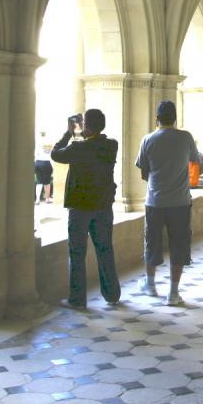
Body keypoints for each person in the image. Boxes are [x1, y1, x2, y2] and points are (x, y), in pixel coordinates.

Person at [50, 109, 121, 310]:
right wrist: (84, 131)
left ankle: (77, 299)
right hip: (103, 206)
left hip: (80, 207)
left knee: (77, 253)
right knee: (105, 250)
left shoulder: (77, 148)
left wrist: (68, 132)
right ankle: (112, 294)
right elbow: (94, 143)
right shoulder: (111, 145)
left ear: (87, 126)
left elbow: (55, 154)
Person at [135, 100, 202, 306]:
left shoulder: (148, 139)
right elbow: (195, 162)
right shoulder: (185, 137)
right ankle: (173, 292)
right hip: (180, 201)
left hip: (155, 200)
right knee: (178, 244)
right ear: (175, 118)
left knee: (152, 242)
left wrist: (158, 180)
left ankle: (151, 284)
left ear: (157, 119)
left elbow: (143, 171)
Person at [34, 137, 53, 204]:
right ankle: (47, 199)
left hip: (37, 163)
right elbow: (52, 155)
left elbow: (35, 154)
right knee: (47, 183)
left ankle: (37, 200)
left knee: (39, 182)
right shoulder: (50, 145)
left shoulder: (37, 143)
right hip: (46, 163)